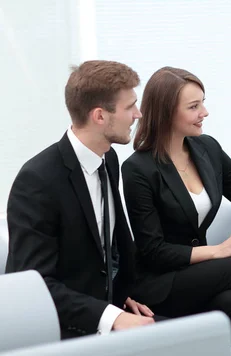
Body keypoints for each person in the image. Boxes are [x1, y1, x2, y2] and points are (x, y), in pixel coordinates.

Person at [5, 60, 157, 338]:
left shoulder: (108, 158)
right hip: (62, 332)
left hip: (103, 314)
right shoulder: (37, 182)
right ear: (100, 116)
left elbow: (109, 248)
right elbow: (36, 286)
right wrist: (112, 317)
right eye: (130, 106)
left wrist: (119, 299)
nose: (138, 114)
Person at [122, 66, 231, 342]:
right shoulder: (137, 169)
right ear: (166, 112)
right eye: (193, 106)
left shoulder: (207, 148)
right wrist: (218, 251)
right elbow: (153, 251)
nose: (205, 112)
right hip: (159, 280)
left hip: (195, 274)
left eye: (203, 102)